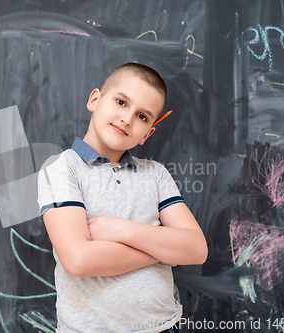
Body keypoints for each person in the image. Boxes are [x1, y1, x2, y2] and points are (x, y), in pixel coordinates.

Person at [37, 62, 208, 333]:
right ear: (95, 100)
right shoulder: (62, 168)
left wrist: (120, 229)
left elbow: (196, 250)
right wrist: (162, 251)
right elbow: (79, 260)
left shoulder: (156, 174)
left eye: (142, 116)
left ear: (148, 133)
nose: (127, 119)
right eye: (121, 102)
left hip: (164, 327)